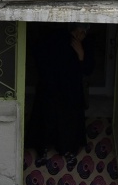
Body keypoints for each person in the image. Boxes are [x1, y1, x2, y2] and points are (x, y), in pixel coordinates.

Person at [25, 23, 91, 157]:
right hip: (57, 90)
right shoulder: (59, 41)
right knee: (57, 122)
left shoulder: (73, 44)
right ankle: (61, 149)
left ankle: (48, 149)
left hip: (57, 90)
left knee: (53, 121)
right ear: (79, 32)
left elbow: (86, 69)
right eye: (82, 33)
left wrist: (81, 56)